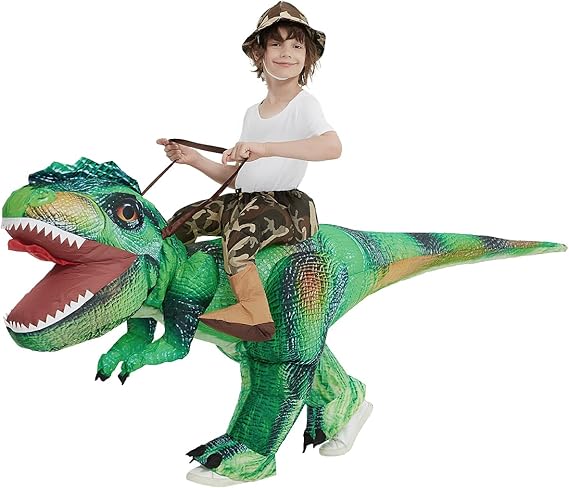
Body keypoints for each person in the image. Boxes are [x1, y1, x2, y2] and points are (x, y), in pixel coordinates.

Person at [156, 1, 341, 343]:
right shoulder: (252, 113)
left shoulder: (304, 104)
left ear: (308, 56)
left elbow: (332, 147)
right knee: (182, 221)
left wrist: (267, 148)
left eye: (296, 45)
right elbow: (241, 179)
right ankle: (160, 282)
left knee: (239, 238)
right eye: (276, 44)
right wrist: (194, 159)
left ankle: (254, 312)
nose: (287, 53)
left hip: (282, 206)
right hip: (246, 199)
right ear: (259, 53)